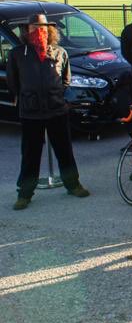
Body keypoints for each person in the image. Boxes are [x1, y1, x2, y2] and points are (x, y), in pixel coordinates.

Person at [9, 14, 90, 210]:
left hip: (56, 110)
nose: (39, 30)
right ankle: (25, 194)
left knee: (64, 150)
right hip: (31, 112)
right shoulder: (18, 53)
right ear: (26, 30)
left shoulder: (59, 52)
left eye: (43, 27)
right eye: (34, 27)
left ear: (50, 30)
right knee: (30, 154)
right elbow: (13, 82)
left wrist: (57, 95)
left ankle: (73, 184)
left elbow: (66, 79)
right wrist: (27, 96)